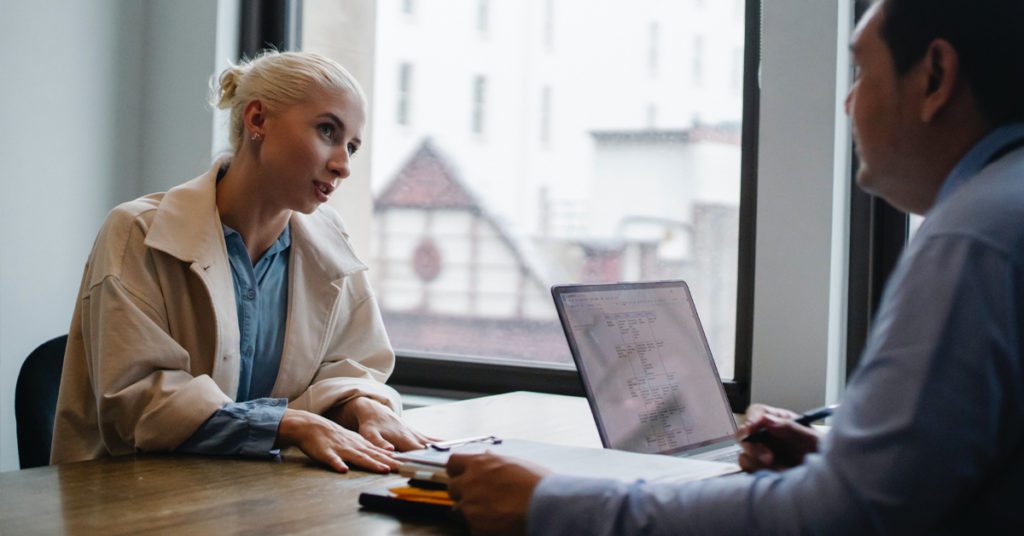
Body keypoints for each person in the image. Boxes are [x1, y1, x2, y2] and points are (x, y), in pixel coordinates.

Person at [447, 0, 1024, 532]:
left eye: (862, 74)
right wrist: (845, 459)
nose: (848, 103)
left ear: (935, 79)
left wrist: (552, 506)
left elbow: (846, 516)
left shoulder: (974, 236)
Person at [51, 51, 430, 474]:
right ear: (257, 120)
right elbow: (138, 405)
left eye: (352, 147)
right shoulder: (136, 232)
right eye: (328, 131)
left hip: (264, 501)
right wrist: (288, 424)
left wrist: (362, 406)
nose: (342, 165)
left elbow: (356, 364)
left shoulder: (331, 243)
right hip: (133, 501)